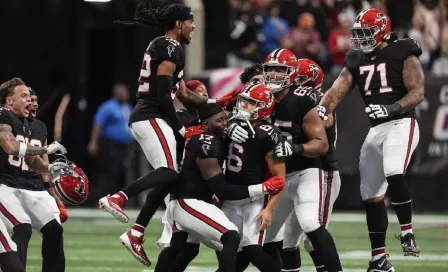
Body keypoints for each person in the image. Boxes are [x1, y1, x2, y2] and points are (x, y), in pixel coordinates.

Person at [99, 2, 239, 265]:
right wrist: (182, 128)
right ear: (178, 24)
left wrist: (219, 102)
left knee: (170, 172)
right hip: (150, 114)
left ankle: (137, 231)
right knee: (168, 170)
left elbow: (184, 94)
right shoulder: (169, 47)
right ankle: (117, 197)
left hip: (153, 114)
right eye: (190, 21)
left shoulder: (170, 48)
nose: (194, 26)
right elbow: (164, 97)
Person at [318, 8, 424, 272]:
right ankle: (379, 260)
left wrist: (392, 108)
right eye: (359, 34)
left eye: (366, 33)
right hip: (376, 129)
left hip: (401, 121)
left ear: (382, 31)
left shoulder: (403, 50)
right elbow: (336, 90)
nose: (361, 39)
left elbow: (418, 92)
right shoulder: (355, 58)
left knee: (393, 170)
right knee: (370, 195)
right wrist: (323, 107)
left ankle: (407, 232)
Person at [242, 48, 343, 272]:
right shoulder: (260, 98)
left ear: (292, 74)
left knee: (309, 222)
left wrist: (295, 148)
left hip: (306, 171)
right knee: (260, 235)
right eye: (271, 69)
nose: (275, 74)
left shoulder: (303, 99)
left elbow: (322, 144)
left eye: (281, 69)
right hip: (278, 178)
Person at [154, 103, 285, 272]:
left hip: (197, 202)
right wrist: (263, 187)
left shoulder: (217, 136)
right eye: (220, 121)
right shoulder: (206, 142)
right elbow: (222, 190)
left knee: (184, 249)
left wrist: (283, 140)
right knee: (231, 237)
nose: (225, 124)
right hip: (189, 202)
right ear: (205, 125)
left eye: (225, 120)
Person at [274, 59, 341, 272]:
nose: (297, 84)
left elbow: (326, 119)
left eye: (302, 80)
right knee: (287, 241)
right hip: (295, 173)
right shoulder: (286, 100)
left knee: (311, 234)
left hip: (323, 172)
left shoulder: (316, 100)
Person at [0, 78, 67, 269]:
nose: (29, 100)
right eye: (24, 96)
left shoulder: (27, 123)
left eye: (30, 96)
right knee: (23, 228)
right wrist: (46, 150)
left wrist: (51, 168)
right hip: (4, 184)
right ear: (9, 101)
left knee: (54, 229)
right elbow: (12, 147)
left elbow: (31, 161)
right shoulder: (3, 115)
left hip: (19, 186)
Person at [222, 83, 284, 272]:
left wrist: (270, 209)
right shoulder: (229, 122)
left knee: (251, 250)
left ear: (263, 108)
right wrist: (227, 127)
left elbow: (280, 177)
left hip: (254, 200)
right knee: (230, 256)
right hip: (228, 198)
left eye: (250, 103)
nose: (243, 106)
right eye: (243, 101)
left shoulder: (267, 134)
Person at [87, 84, 133, 198]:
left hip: (125, 145)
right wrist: (93, 142)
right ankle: (103, 196)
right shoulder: (108, 106)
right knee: (110, 170)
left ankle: (118, 197)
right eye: (122, 91)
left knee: (122, 171)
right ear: (116, 93)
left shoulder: (128, 107)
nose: (125, 94)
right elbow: (98, 124)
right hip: (110, 144)